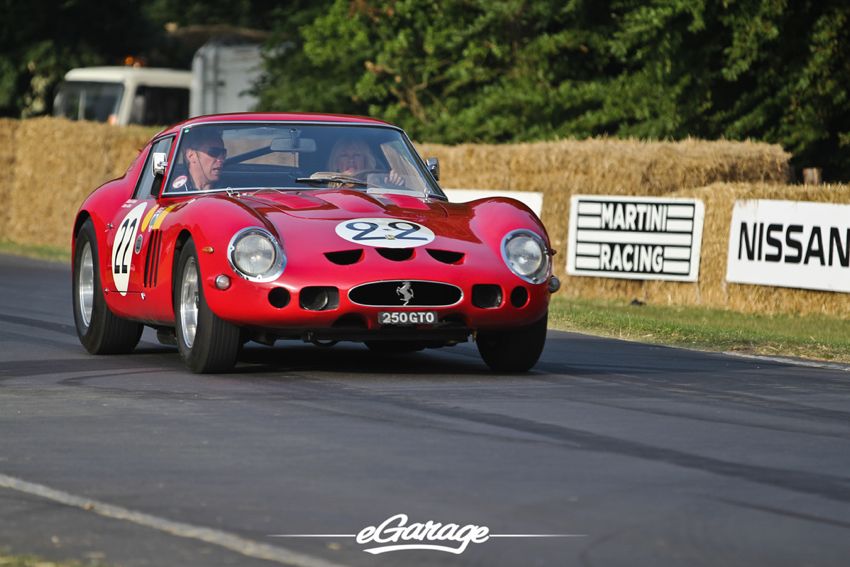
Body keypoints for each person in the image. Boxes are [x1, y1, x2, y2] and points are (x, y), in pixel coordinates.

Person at [327, 139, 404, 186]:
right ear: (336, 162)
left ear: (365, 160)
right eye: (344, 155)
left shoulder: (378, 185)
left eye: (356, 155)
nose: (351, 159)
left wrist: (393, 183)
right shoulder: (324, 186)